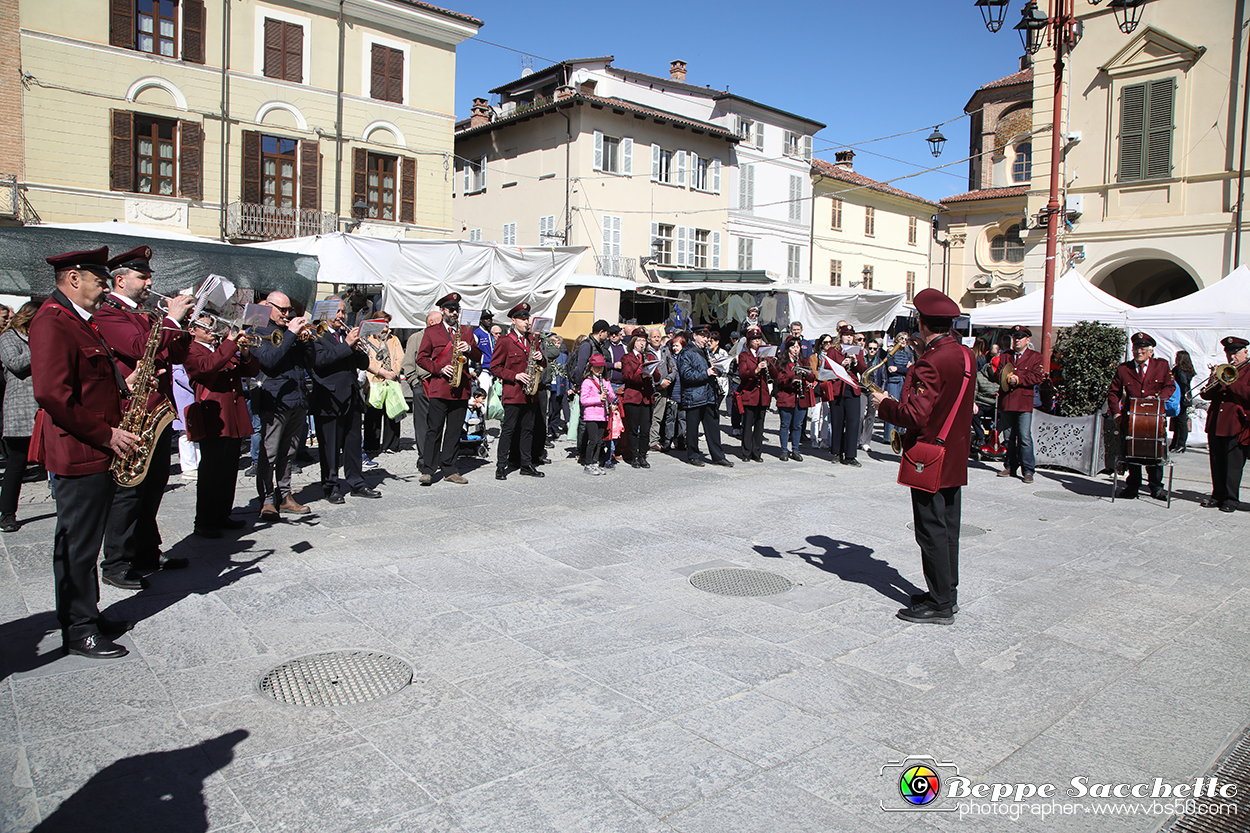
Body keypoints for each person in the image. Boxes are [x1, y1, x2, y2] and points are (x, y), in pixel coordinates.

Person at [31, 247, 141, 658]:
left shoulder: (81, 321)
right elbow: (51, 393)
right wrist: (107, 434)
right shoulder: (52, 321)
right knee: (77, 545)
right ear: (74, 278)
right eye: (99, 280)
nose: (105, 288)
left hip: (94, 447)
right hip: (79, 449)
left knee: (87, 541)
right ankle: (78, 630)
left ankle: (87, 614)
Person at [871, 288, 974, 625]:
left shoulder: (932, 360)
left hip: (930, 454)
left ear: (922, 322)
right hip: (955, 452)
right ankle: (947, 593)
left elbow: (915, 416)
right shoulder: (964, 354)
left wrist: (884, 404)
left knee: (930, 530)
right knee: (948, 529)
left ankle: (940, 604)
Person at [95, 246, 193, 589]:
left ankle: (147, 551)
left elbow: (175, 351)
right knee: (128, 489)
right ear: (119, 280)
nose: (149, 281)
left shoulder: (148, 314)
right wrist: (171, 319)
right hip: (131, 412)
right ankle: (116, 562)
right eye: (142, 276)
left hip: (156, 410)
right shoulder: (108, 314)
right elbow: (138, 347)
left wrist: (183, 325)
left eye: (149, 275)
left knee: (153, 486)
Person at [183, 314, 259, 537]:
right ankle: (204, 521)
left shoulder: (220, 348)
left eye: (211, 325)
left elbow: (252, 370)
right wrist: (229, 343)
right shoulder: (191, 351)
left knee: (228, 470)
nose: (210, 329)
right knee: (211, 471)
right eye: (204, 326)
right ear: (192, 330)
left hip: (233, 416)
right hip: (214, 417)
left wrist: (244, 352)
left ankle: (222, 514)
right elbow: (207, 367)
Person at [308, 298, 380, 503]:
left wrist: (359, 349)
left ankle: (357, 482)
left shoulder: (343, 335)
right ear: (324, 313)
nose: (341, 316)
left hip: (351, 397)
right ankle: (330, 486)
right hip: (329, 399)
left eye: (342, 311)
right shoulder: (316, 334)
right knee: (330, 447)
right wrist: (347, 344)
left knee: (353, 443)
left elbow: (363, 364)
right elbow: (320, 362)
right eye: (336, 312)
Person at [251, 291, 314, 519]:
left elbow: (310, 362)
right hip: (274, 400)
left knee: (289, 453)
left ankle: (285, 495)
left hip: (296, 398)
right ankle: (267, 500)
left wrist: (305, 340)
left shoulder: (290, 331)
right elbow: (268, 360)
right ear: (268, 307)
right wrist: (290, 334)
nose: (287, 314)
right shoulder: (258, 330)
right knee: (269, 453)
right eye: (282, 310)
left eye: (289, 310)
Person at [417, 293, 482, 486]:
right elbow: (421, 358)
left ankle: (450, 469)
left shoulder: (467, 331)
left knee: (454, 431)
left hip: (461, 387)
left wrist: (470, 349)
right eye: (451, 309)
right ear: (442, 311)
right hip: (440, 387)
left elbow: (479, 357)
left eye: (457, 310)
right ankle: (428, 469)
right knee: (434, 429)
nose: (454, 313)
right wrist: (439, 368)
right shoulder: (431, 332)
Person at [1106, 332, 1176, 501]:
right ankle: (1133, 485)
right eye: (1136, 349)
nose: (1139, 352)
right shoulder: (1124, 369)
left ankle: (1156, 487)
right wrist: (1116, 412)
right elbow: (1113, 392)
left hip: (1154, 418)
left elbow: (1170, 386)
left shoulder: (1162, 366)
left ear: (1151, 352)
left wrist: (1159, 398)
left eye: (1143, 349)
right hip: (1131, 419)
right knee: (1131, 452)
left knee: (1155, 450)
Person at [490, 302, 546, 480]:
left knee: (528, 430)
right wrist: (515, 376)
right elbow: (495, 367)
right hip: (514, 393)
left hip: (531, 393)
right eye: (522, 319)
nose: (526, 322)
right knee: (508, 430)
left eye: (527, 318)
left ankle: (526, 464)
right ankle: (501, 466)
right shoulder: (505, 341)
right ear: (513, 320)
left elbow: (543, 365)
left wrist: (541, 358)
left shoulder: (532, 339)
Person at [0, 301, 40, 532]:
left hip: (44, 406)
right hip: (20, 410)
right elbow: (14, 364)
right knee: (17, 464)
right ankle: (7, 514)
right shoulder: (8, 337)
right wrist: (39, 346)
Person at [1199, 336, 1250, 512]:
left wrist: (1231, 381)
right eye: (1229, 353)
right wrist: (1214, 379)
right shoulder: (1224, 370)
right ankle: (1217, 495)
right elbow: (1205, 395)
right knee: (1217, 461)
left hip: (1236, 423)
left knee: (1233, 465)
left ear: (1245, 352)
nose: (1232, 357)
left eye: (1236, 353)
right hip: (1216, 422)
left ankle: (1231, 499)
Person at [992, 325, 1044, 483]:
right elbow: (999, 374)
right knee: (1009, 437)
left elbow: (1037, 377)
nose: (1017, 340)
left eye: (1020, 338)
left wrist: (1019, 379)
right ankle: (1009, 466)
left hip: (1023, 403)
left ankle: (1028, 470)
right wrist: (1001, 376)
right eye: (1015, 338)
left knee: (1024, 437)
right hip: (1007, 401)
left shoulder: (1035, 357)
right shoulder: (1006, 355)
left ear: (1027, 340)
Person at [676, 327, 734, 468]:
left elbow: (714, 371)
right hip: (694, 396)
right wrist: (706, 372)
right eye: (702, 335)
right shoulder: (686, 352)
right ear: (694, 336)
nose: (705, 339)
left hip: (709, 395)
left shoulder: (706, 351)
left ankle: (718, 456)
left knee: (713, 428)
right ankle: (693, 455)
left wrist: (717, 367)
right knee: (693, 429)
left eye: (707, 336)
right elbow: (686, 375)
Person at [571, 319, 611, 463]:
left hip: (596, 389)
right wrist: (580, 386)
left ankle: (593, 453)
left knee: (592, 426)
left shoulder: (598, 345)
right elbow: (580, 367)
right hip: (587, 388)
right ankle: (582, 453)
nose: (608, 336)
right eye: (607, 333)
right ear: (601, 332)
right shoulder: (587, 345)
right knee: (584, 423)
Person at [827, 324, 867, 467]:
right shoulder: (833, 350)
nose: (848, 337)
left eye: (851, 335)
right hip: (838, 388)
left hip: (852, 388)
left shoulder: (858, 351)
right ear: (841, 336)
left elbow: (863, 369)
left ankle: (850, 455)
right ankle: (837, 452)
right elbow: (827, 369)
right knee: (837, 421)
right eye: (846, 335)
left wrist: (855, 360)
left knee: (853, 422)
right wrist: (840, 364)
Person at [401, 309, 437, 470]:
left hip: (439, 385)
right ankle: (424, 457)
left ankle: (435, 455)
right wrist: (415, 383)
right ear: (430, 323)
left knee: (436, 423)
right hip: (422, 384)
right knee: (422, 424)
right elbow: (408, 363)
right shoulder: (416, 338)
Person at [775, 335, 815, 461]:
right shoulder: (782, 362)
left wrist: (805, 373)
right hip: (786, 397)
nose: (796, 349)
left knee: (798, 425)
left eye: (797, 347)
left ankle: (796, 450)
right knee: (785, 424)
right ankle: (784, 450)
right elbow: (779, 380)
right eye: (793, 347)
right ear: (788, 349)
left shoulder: (804, 361)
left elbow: (812, 377)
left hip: (801, 397)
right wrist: (792, 379)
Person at [621, 328, 656, 469]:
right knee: (633, 429)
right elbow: (627, 376)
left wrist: (654, 372)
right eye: (639, 340)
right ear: (634, 342)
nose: (642, 343)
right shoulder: (627, 358)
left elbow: (657, 376)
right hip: (633, 397)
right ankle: (634, 456)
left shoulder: (650, 357)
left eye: (644, 340)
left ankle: (643, 456)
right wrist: (642, 374)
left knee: (646, 429)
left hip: (647, 397)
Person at [736, 326, 771, 462]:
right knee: (747, 424)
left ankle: (757, 452)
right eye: (755, 339)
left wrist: (770, 364)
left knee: (759, 425)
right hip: (750, 393)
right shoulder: (744, 356)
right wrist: (756, 370)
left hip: (762, 394)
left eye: (759, 339)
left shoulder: (765, 355)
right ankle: (746, 452)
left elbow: (774, 375)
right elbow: (742, 374)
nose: (758, 341)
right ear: (749, 341)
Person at [579, 354, 617, 475]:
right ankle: (588, 463)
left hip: (603, 415)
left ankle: (595, 463)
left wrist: (608, 394)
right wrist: (598, 398)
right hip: (591, 415)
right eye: (595, 367)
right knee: (593, 440)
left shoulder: (605, 382)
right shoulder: (587, 382)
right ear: (590, 367)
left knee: (600, 441)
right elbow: (583, 400)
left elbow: (612, 398)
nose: (598, 369)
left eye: (600, 367)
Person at [1169, 350, 1195, 453]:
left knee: (1180, 421)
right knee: (1178, 421)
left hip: (1180, 398)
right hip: (1184, 398)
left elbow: (1183, 383)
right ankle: (1176, 443)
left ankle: (1180, 444)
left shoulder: (1180, 370)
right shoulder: (1187, 370)